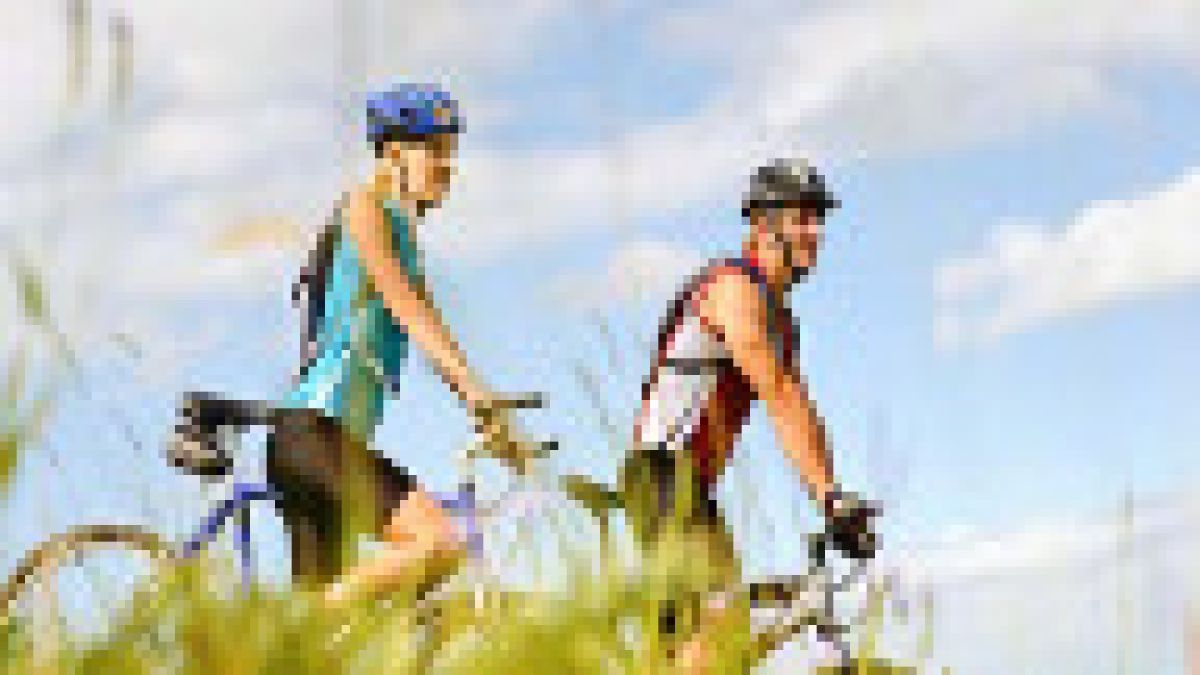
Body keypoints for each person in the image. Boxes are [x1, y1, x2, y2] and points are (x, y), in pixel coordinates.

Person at [257, 83, 538, 607]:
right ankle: (302, 622)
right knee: (437, 542)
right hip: (313, 435)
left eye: (450, 154)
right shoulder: (365, 206)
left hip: (325, 441)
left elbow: (435, 332)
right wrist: (481, 401)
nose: (446, 167)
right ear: (392, 152)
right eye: (433, 150)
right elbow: (407, 309)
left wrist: (490, 421)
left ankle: (297, 630)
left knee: (326, 642)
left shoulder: (403, 233)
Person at [617, 159, 879, 672]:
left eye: (818, 219)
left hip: (693, 487)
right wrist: (828, 499)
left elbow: (799, 408)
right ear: (762, 224)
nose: (815, 233)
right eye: (801, 218)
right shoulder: (733, 289)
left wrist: (835, 499)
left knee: (692, 645)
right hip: (662, 473)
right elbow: (776, 392)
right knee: (720, 628)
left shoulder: (782, 322)